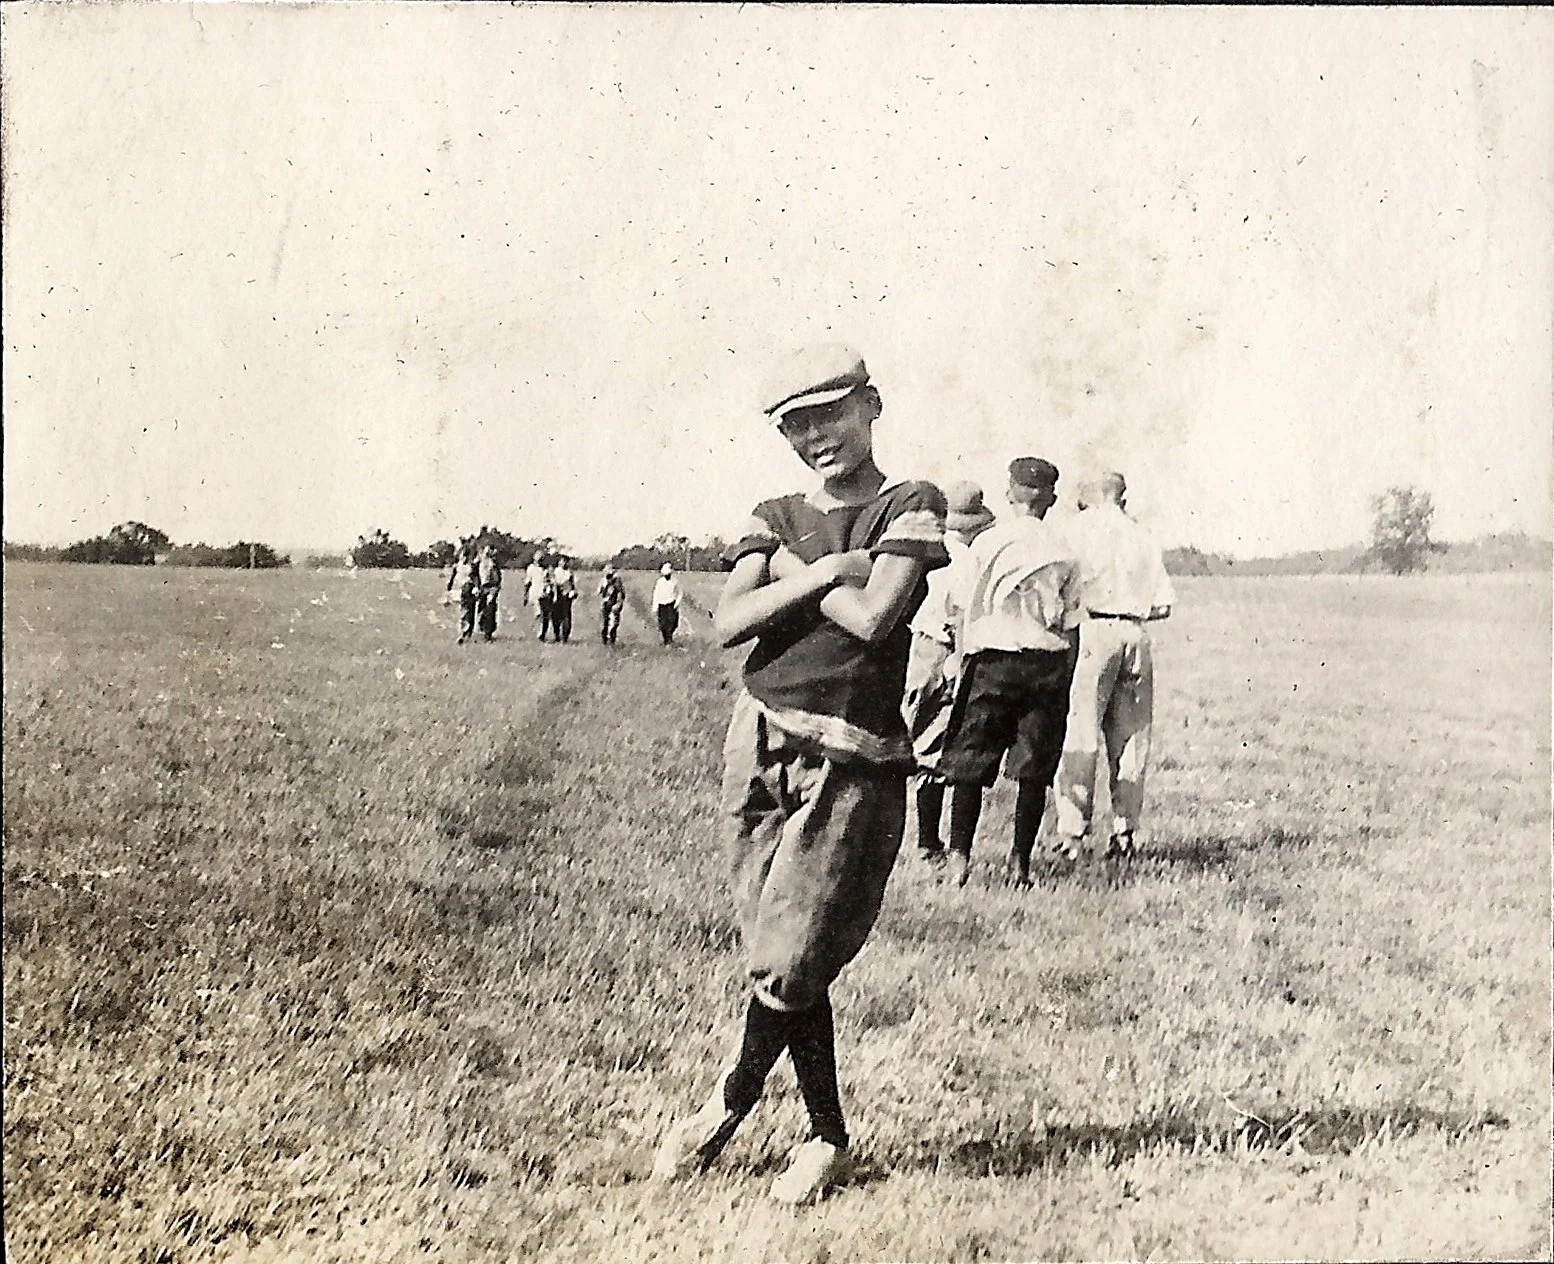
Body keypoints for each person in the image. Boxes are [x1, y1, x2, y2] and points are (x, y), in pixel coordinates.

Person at [650, 343, 947, 1206]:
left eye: (832, 414)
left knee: (790, 955)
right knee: (777, 955)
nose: (817, 436)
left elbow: (871, 616)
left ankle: (723, 1107)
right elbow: (728, 622)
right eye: (797, 423)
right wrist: (816, 567)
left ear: (872, 404)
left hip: (853, 753)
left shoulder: (909, 504)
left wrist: (795, 576)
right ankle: (826, 1139)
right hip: (761, 735)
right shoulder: (774, 513)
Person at [938, 457, 1081, 888]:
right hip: (1045, 664)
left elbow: (962, 610)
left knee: (969, 765)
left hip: (991, 662)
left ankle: (959, 859)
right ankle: (1019, 864)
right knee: (1034, 771)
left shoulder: (984, 544)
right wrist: (1065, 677)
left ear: (1009, 493)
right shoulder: (1066, 550)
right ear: (1051, 500)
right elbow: (1071, 628)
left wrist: (962, 659)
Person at [1052, 471, 1174, 859]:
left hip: (1094, 631)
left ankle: (1073, 835)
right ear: (1122, 496)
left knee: (1082, 730)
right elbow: (1163, 605)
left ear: (1089, 495)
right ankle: (1124, 833)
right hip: (1135, 633)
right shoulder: (1142, 535)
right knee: (1132, 738)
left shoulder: (1076, 529)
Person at [901, 480, 996, 866]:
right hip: (947, 651)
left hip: (919, 648)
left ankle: (926, 841)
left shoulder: (926, 552)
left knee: (920, 742)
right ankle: (928, 843)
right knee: (940, 748)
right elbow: (960, 616)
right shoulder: (967, 561)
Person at [446, 544, 480, 645]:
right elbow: (451, 579)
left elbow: (476, 578)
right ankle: (464, 632)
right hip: (461, 590)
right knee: (465, 611)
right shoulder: (457, 566)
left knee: (469, 612)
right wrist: (449, 589)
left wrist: (477, 587)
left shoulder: (472, 566)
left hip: (469, 589)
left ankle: (466, 633)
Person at [475, 544, 503, 641]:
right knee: (482, 610)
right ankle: (483, 630)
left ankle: (488, 633)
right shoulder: (481, 561)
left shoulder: (494, 563)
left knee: (490, 609)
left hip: (491, 587)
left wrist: (497, 587)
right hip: (483, 587)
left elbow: (498, 576)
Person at [652, 563, 682, 646]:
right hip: (662, 605)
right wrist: (655, 607)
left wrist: (677, 604)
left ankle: (669, 638)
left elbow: (679, 593)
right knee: (663, 624)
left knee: (673, 623)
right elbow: (656, 594)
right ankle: (667, 641)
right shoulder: (660, 582)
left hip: (671, 604)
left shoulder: (675, 581)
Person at [551, 556, 578, 643]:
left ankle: (565, 637)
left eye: (565, 561)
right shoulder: (556, 571)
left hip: (567, 596)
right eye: (562, 561)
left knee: (566, 617)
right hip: (557, 595)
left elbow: (572, 584)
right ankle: (557, 635)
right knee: (556, 617)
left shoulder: (569, 572)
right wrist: (555, 595)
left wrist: (573, 592)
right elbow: (554, 584)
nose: (564, 563)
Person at [598, 563, 626, 645]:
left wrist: (618, 603)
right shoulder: (604, 580)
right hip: (606, 602)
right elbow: (600, 591)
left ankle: (611, 639)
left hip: (614, 602)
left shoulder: (617, 580)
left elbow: (621, 593)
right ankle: (605, 639)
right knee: (605, 621)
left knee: (614, 622)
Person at [534, 558, 557, 642]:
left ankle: (542, 633)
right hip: (539, 595)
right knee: (540, 615)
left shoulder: (548, 572)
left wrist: (554, 595)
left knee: (545, 616)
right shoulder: (537, 571)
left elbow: (553, 584)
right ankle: (540, 633)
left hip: (546, 596)